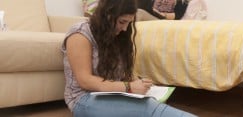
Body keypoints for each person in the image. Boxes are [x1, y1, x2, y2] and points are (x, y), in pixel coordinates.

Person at [61, 0, 198, 116]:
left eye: (128, 23)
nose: (125, 28)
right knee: (147, 109)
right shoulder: (79, 34)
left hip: (113, 94)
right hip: (83, 99)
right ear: (107, 14)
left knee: (150, 103)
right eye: (122, 22)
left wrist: (138, 82)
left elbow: (123, 73)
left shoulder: (118, 35)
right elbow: (85, 81)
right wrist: (128, 87)